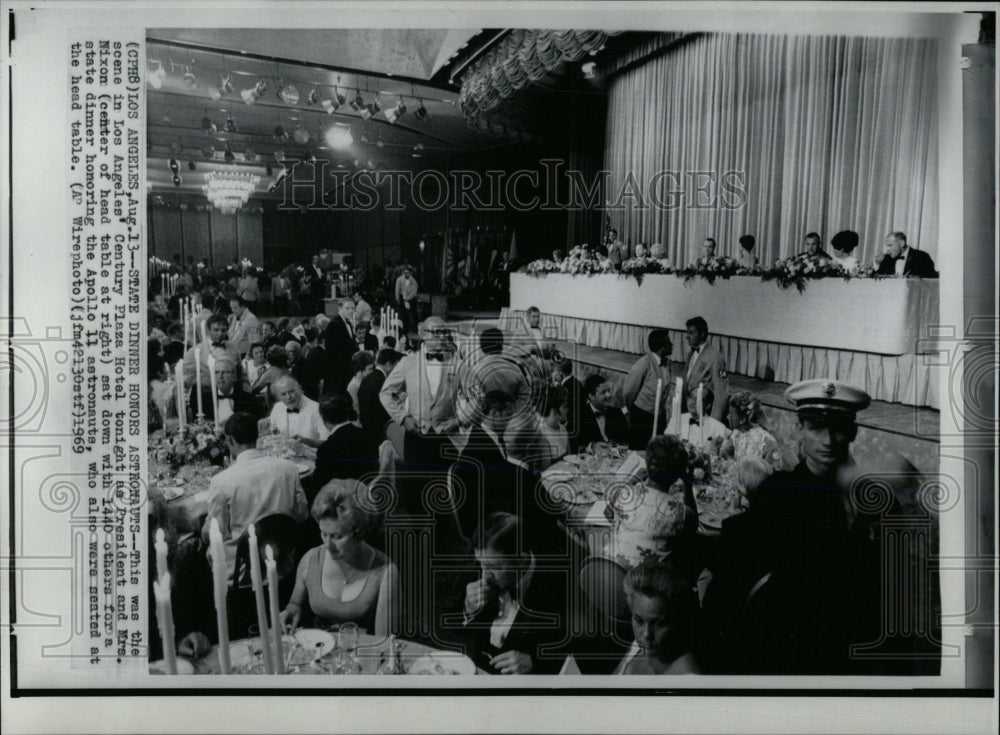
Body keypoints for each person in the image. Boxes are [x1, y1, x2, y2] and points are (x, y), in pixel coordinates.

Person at [704, 378, 939, 674]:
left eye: (838, 427)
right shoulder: (778, 494)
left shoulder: (876, 503)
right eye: (816, 427)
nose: (828, 440)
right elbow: (736, 579)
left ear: (852, 431)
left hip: (850, 654)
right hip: (789, 652)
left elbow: (892, 594)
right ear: (799, 429)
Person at [280, 480, 399, 636]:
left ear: (359, 532)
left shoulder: (386, 573)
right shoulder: (310, 560)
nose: (328, 545)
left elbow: (383, 641)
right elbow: (295, 604)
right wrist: (291, 611)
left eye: (337, 536)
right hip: (318, 651)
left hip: (363, 654)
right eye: (324, 534)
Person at [457, 513, 569, 674]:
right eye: (481, 564)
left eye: (494, 567)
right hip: (480, 670)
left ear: (521, 560)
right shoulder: (485, 560)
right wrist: (468, 609)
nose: (485, 574)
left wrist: (536, 661)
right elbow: (457, 628)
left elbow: (582, 648)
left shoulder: (558, 586)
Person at [202, 412, 309, 578]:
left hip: (242, 567)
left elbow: (216, 534)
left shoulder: (220, 481)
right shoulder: (289, 468)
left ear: (230, 440)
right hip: (282, 558)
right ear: (257, 435)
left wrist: (204, 528)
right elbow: (301, 515)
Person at [612, 434, 698, 572]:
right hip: (645, 587)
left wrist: (632, 480)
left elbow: (608, 513)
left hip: (608, 573)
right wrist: (688, 483)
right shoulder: (681, 513)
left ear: (647, 462)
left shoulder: (624, 493)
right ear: (678, 474)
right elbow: (693, 528)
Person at [615, 562, 701, 674]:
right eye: (639, 620)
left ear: (678, 620)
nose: (646, 634)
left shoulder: (688, 677)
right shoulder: (638, 645)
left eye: (660, 624)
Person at [310, 391, 375, 496]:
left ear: (324, 419)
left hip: (343, 501)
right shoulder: (367, 435)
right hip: (367, 495)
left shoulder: (327, 448)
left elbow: (319, 485)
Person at [622, 329, 673, 449]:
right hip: (642, 416)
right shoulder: (644, 363)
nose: (672, 345)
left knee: (660, 450)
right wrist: (633, 411)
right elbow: (629, 390)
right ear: (662, 347)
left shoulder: (667, 363)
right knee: (638, 448)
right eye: (669, 342)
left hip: (659, 415)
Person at [182, 314, 240, 413]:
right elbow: (186, 376)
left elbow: (240, 372)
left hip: (231, 396)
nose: (220, 333)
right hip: (204, 398)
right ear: (208, 331)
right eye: (216, 330)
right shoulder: (196, 351)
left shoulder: (233, 348)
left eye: (223, 330)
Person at [681, 316, 729, 423]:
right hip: (690, 415)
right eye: (687, 333)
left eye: (691, 333)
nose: (687, 337)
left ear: (702, 334)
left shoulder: (715, 357)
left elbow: (721, 394)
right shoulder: (691, 354)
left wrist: (714, 424)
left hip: (705, 418)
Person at [357, 348, 403, 452]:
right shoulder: (385, 383)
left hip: (368, 433)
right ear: (388, 364)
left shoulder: (367, 379)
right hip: (382, 436)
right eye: (396, 366)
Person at [720, 391, 781, 468]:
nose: (728, 417)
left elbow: (772, 471)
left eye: (732, 414)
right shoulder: (737, 433)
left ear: (744, 416)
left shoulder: (766, 440)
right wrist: (731, 462)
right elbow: (724, 453)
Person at [269, 375, 329, 447]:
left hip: (311, 456)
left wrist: (307, 442)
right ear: (278, 396)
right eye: (283, 394)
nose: (288, 397)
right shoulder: (277, 408)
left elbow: (327, 443)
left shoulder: (317, 409)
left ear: (300, 389)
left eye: (291, 391)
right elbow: (271, 432)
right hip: (284, 456)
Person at [575, 374, 630, 451]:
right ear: (591, 396)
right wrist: (592, 447)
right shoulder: (579, 415)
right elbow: (575, 444)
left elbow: (627, 440)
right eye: (603, 392)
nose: (609, 395)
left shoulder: (617, 413)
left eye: (608, 391)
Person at [322, 297, 356, 393]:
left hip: (346, 369)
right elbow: (331, 351)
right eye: (347, 308)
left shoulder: (348, 323)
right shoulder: (334, 324)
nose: (351, 311)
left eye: (353, 308)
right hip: (338, 371)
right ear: (340, 309)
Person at [536, 384, 570, 462]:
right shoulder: (541, 432)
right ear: (554, 411)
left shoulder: (563, 429)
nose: (568, 409)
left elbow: (569, 458)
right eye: (565, 406)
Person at [346, 350, 375, 416]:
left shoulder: (366, 382)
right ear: (360, 370)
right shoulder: (354, 386)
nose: (372, 372)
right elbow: (357, 412)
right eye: (369, 369)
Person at [394, 266, 419, 331]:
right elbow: (397, 290)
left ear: (410, 273)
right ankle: (405, 329)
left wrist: (408, 298)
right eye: (405, 272)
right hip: (402, 298)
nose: (406, 274)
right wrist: (398, 299)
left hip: (411, 299)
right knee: (403, 315)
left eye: (408, 272)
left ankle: (416, 329)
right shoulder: (399, 279)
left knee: (414, 314)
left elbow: (414, 291)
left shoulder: (413, 280)